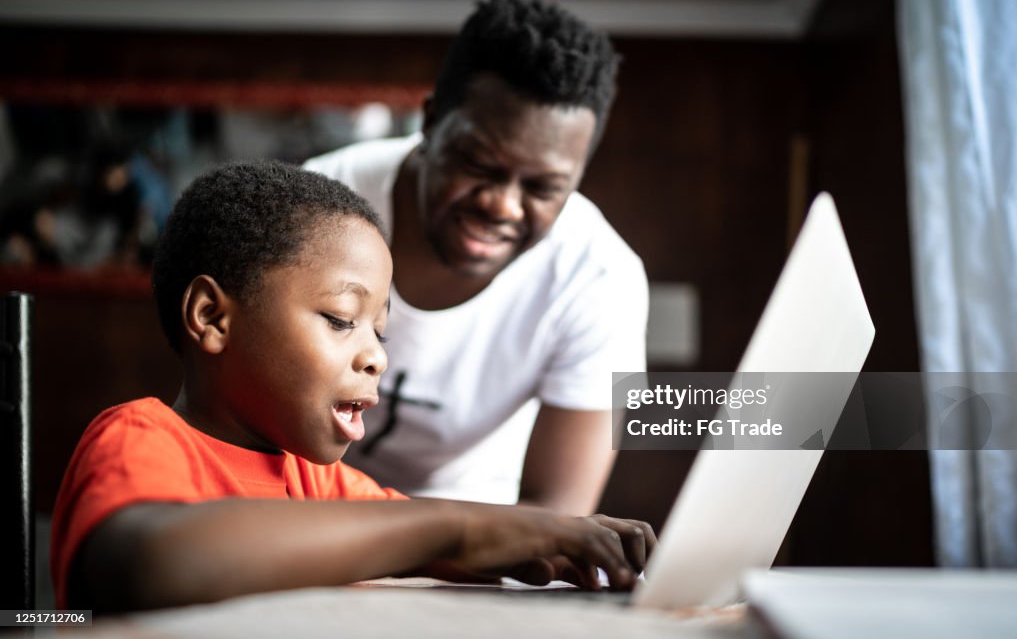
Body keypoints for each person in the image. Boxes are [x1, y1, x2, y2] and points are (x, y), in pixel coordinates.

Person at [50, 161, 655, 613]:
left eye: (380, 331)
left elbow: (447, 542)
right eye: (341, 319)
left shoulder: (316, 481)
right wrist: (457, 529)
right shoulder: (140, 435)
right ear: (212, 317)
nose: (375, 357)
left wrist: (554, 538)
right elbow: (150, 565)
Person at [304, 0, 648, 514]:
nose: (502, 205)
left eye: (543, 187)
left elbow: (555, 510)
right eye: (479, 165)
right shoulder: (314, 205)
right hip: (300, 504)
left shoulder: (599, 277)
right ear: (431, 120)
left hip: (475, 525)